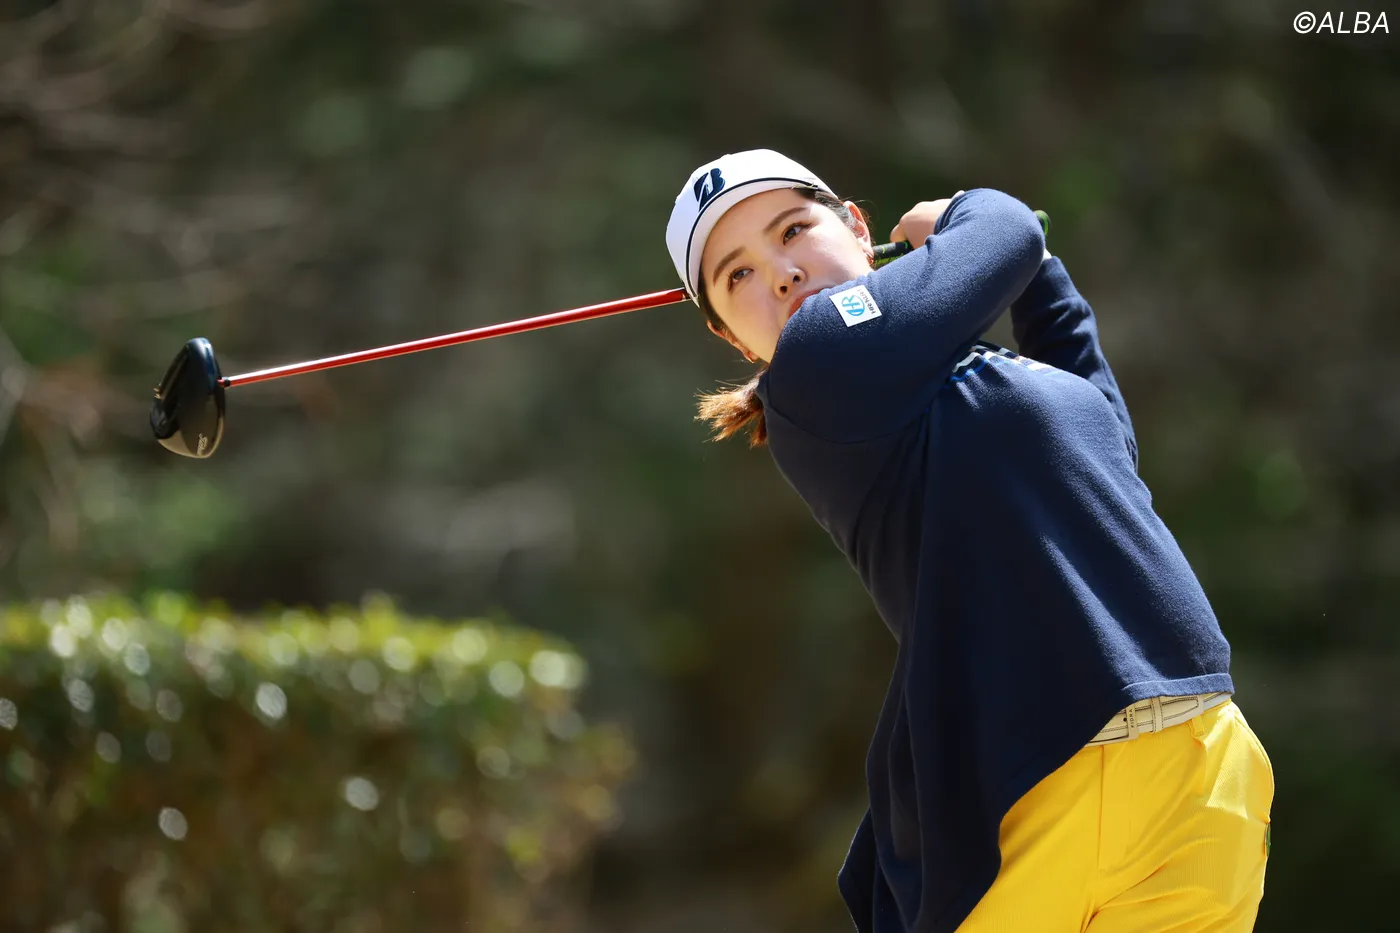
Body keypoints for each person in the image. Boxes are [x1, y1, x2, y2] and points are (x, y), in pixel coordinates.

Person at [663, 149, 1274, 933]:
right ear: (734, 339)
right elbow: (1006, 227)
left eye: (792, 230)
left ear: (858, 229)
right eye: (738, 274)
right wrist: (962, 215)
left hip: (1195, 763)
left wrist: (1044, 279)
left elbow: (1106, 445)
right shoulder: (815, 370)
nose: (781, 273)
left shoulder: (995, 374)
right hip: (1026, 797)